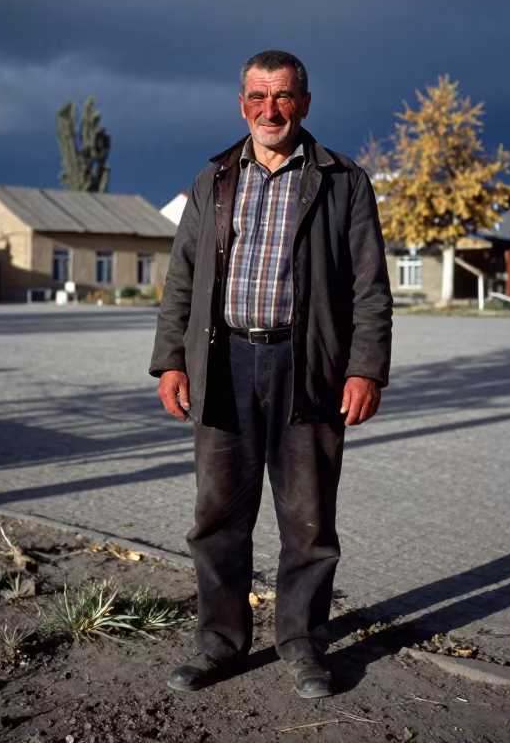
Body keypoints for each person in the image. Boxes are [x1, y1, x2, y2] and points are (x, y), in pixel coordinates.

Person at [149, 49, 393, 699]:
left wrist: (366, 368)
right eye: (257, 98)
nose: (270, 110)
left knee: (308, 523)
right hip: (223, 364)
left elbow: (369, 287)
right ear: (241, 105)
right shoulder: (215, 178)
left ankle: (303, 646)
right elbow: (181, 278)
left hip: (308, 366)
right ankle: (219, 644)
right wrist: (170, 359)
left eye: (283, 97)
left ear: (305, 103)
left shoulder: (344, 181)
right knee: (217, 518)